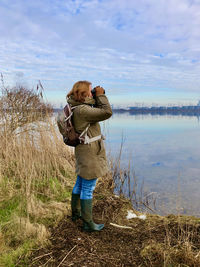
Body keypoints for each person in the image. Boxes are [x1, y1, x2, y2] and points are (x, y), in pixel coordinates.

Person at [66, 80, 112, 232]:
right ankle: (88, 223)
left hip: (82, 150)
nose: (92, 93)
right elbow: (106, 112)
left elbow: (95, 111)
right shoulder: (83, 111)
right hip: (90, 153)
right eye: (90, 91)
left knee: (80, 183)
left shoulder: (74, 106)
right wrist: (101, 95)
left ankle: (76, 214)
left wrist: (95, 97)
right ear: (84, 93)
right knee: (88, 188)